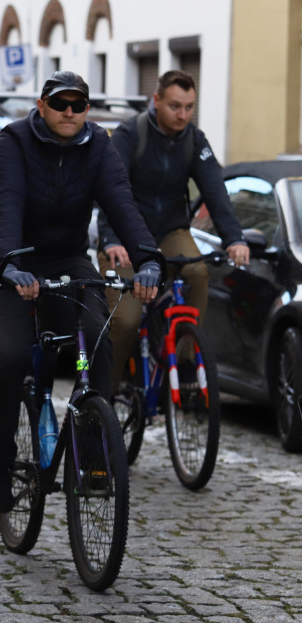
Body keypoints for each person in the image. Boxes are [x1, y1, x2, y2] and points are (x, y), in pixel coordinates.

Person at [0, 70, 161, 513]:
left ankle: (94, 450)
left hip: (67, 260)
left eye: (79, 105)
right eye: (60, 103)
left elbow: (121, 201)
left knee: (97, 336)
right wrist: (11, 265)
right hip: (13, 261)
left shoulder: (99, 144)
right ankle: (0, 459)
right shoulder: (15, 140)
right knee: (12, 356)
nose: (70, 112)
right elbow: (6, 205)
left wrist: (149, 258)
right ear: (41, 106)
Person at [97, 69, 250, 391]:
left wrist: (234, 238)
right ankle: (102, 396)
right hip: (124, 237)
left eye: (189, 107)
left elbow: (215, 191)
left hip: (169, 231)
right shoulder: (130, 134)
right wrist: (111, 239)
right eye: (175, 106)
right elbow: (110, 190)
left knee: (197, 272)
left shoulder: (194, 140)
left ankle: (182, 361)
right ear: (157, 101)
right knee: (126, 320)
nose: (183, 114)